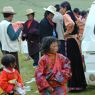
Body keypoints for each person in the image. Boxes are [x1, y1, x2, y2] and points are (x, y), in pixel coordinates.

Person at [60, 1, 87, 92]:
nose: (60, 10)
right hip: (75, 41)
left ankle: (73, 86)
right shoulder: (73, 14)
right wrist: (78, 34)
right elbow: (80, 24)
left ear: (65, 7)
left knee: (71, 62)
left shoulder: (66, 15)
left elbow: (71, 24)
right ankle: (81, 84)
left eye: (61, 8)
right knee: (77, 61)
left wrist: (66, 33)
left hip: (70, 41)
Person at [0, 6, 23, 72]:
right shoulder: (8, 24)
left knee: (8, 69)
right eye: (12, 15)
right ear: (10, 15)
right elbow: (13, 37)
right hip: (11, 50)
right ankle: (18, 82)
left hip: (5, 50)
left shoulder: (1, 24)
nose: (12, 17)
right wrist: (19, 29)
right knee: (15, 69)